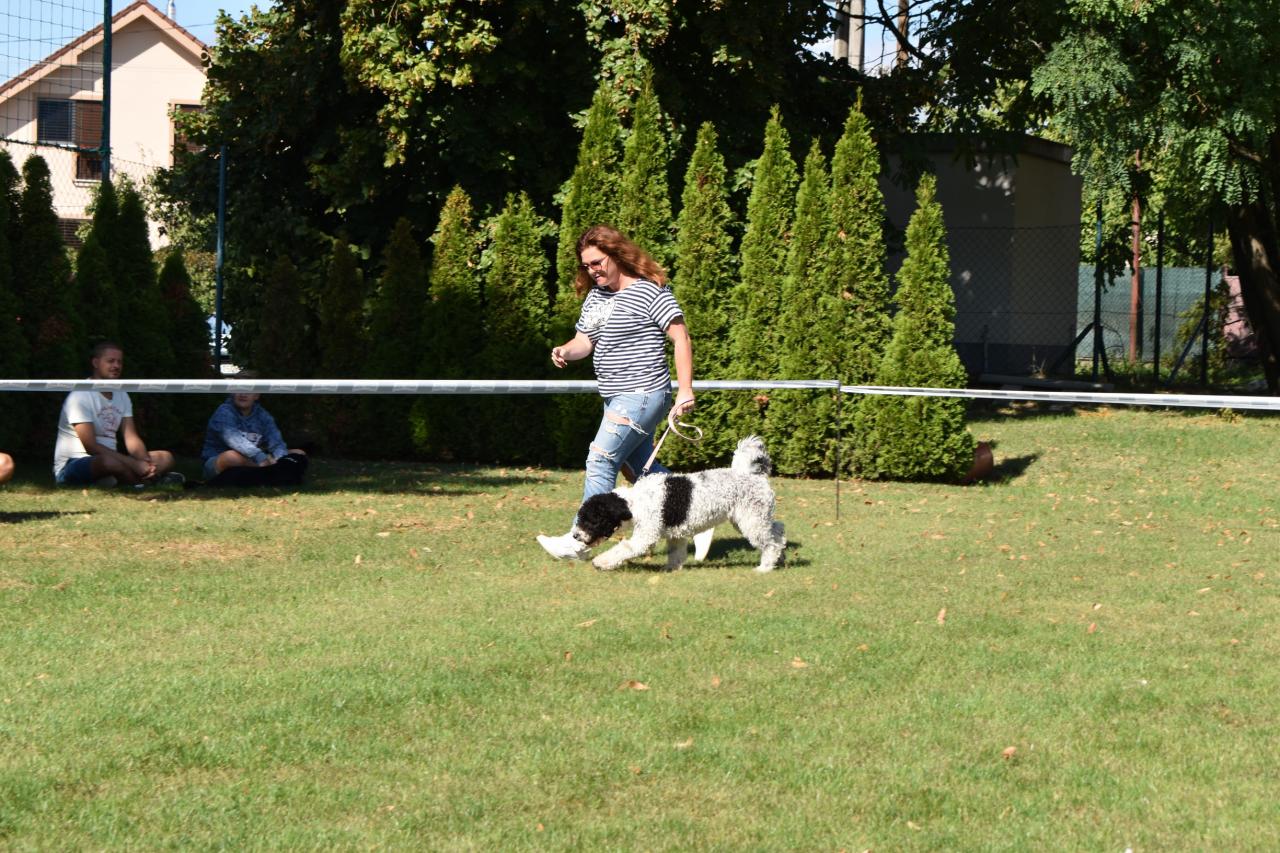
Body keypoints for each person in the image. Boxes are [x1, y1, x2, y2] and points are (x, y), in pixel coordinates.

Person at [537, 225, 713, 561]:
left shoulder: (650, 292)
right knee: (640, 471)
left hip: (643, 393)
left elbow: (681, 338)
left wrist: (685, 390)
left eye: (598, 262)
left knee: (601, 459)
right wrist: (565, 350)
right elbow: (584, 341)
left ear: (617, 254)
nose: (593, 270)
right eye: (587, 265)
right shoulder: (596, 297)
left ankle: (580, 539)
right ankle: (698, 514)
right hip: (616, 397)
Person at [52, 342, 182, 488]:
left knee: (165, 457)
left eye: (119, 362)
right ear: (96, 363)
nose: (116, 366)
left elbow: (131, 437)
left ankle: (144, 477)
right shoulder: (80, 395)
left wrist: (145, 462)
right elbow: (90, 446)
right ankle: (143, 483)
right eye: (111, 361)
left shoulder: (122, 394)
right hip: (76, 463)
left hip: (114, 461)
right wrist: (133, 464)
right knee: (109, 462)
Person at [201, 373, 306, 482]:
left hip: (254, 459)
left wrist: (281, 459)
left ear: (256, 395)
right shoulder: (224, 412)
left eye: (248, 390)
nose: (243, 394)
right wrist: (262, 457)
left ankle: (273, 471)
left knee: (298, 453)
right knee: (231, 456)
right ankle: (272, 471)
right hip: (220, 463)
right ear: (232, 392)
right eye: (239, 389)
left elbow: (275, 441)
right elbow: (234, 439)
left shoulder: (263, 416)